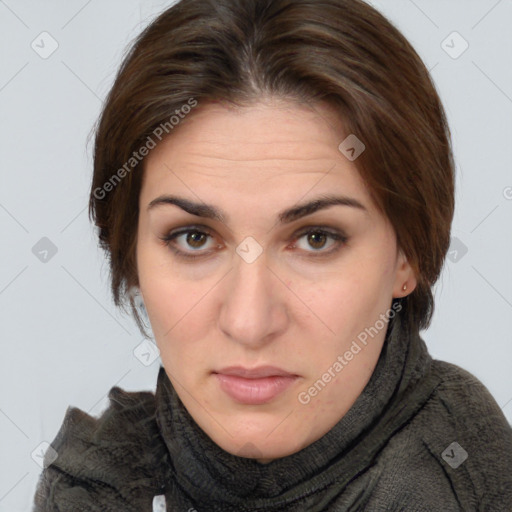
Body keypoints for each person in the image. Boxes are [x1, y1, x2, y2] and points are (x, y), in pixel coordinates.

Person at [32, 0, 512, 510]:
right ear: (130, 254)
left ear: (408, 256)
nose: (249, 321)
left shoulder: (443, 488)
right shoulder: (101, 481)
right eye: (193, 238)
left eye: (316, 238)